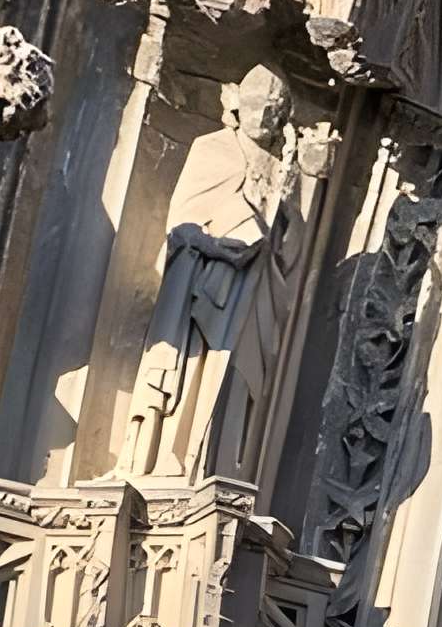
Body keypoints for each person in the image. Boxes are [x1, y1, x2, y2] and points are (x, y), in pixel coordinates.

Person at [121, 66, 304, 483]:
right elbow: (181, 222)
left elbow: (289, 249)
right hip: (199, 287)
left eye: (272, 111)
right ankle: (159, 458)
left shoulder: (281, 170)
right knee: (184, 371)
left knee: (233, 380)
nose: (262, 117)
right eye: (256, 106)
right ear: (240, 106)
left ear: (281, 118)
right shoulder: (212, 148)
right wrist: (215, 245)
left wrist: (289, 195)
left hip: (250, 292)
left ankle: (215, 469)